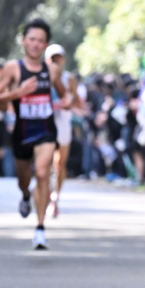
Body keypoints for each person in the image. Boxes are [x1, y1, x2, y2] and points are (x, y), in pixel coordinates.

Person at [0, 19, 66, 250]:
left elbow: (65, 96)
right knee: (24, 180)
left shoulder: (51, 70)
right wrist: (19, 92)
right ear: (24, 41)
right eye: (31, 39)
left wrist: (65, 103)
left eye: (40, 40)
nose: (35, 44)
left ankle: (40, 228)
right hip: (22, 131)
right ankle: (26, 196)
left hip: (45, 130)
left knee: (43, 173)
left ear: (46, 44)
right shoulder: (13, 68)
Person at [44, 43, 79, 217]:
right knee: (44, 163)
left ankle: (55, 197)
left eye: (59, 58)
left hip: (63, 125)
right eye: (52, 58)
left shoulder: (69, 79)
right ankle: (46, 193)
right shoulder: (41, 76)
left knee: (59, 164)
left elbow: (79, 103)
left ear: (63, 60)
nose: (56, 62)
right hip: (45, 125)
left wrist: (69, 102)